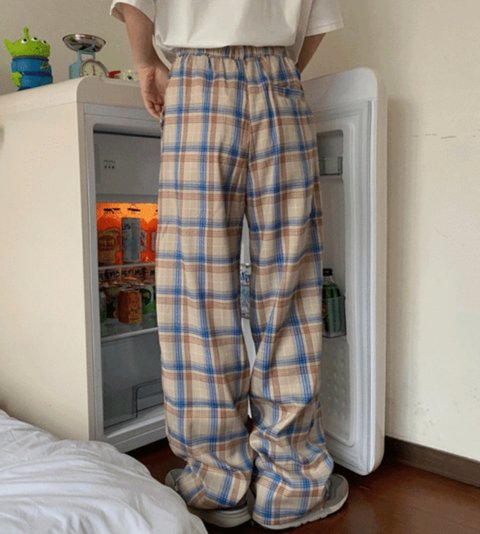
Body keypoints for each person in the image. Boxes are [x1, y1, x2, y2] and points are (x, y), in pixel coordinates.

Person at [110, 1, 347, 529]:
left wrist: (146, 65)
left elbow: (136, 3)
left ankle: (216, 483)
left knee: (197, 292)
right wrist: (274, 68)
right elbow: (315, 23)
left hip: (197, 85)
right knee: (288, 286)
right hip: (280, 83)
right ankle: (291, 485)